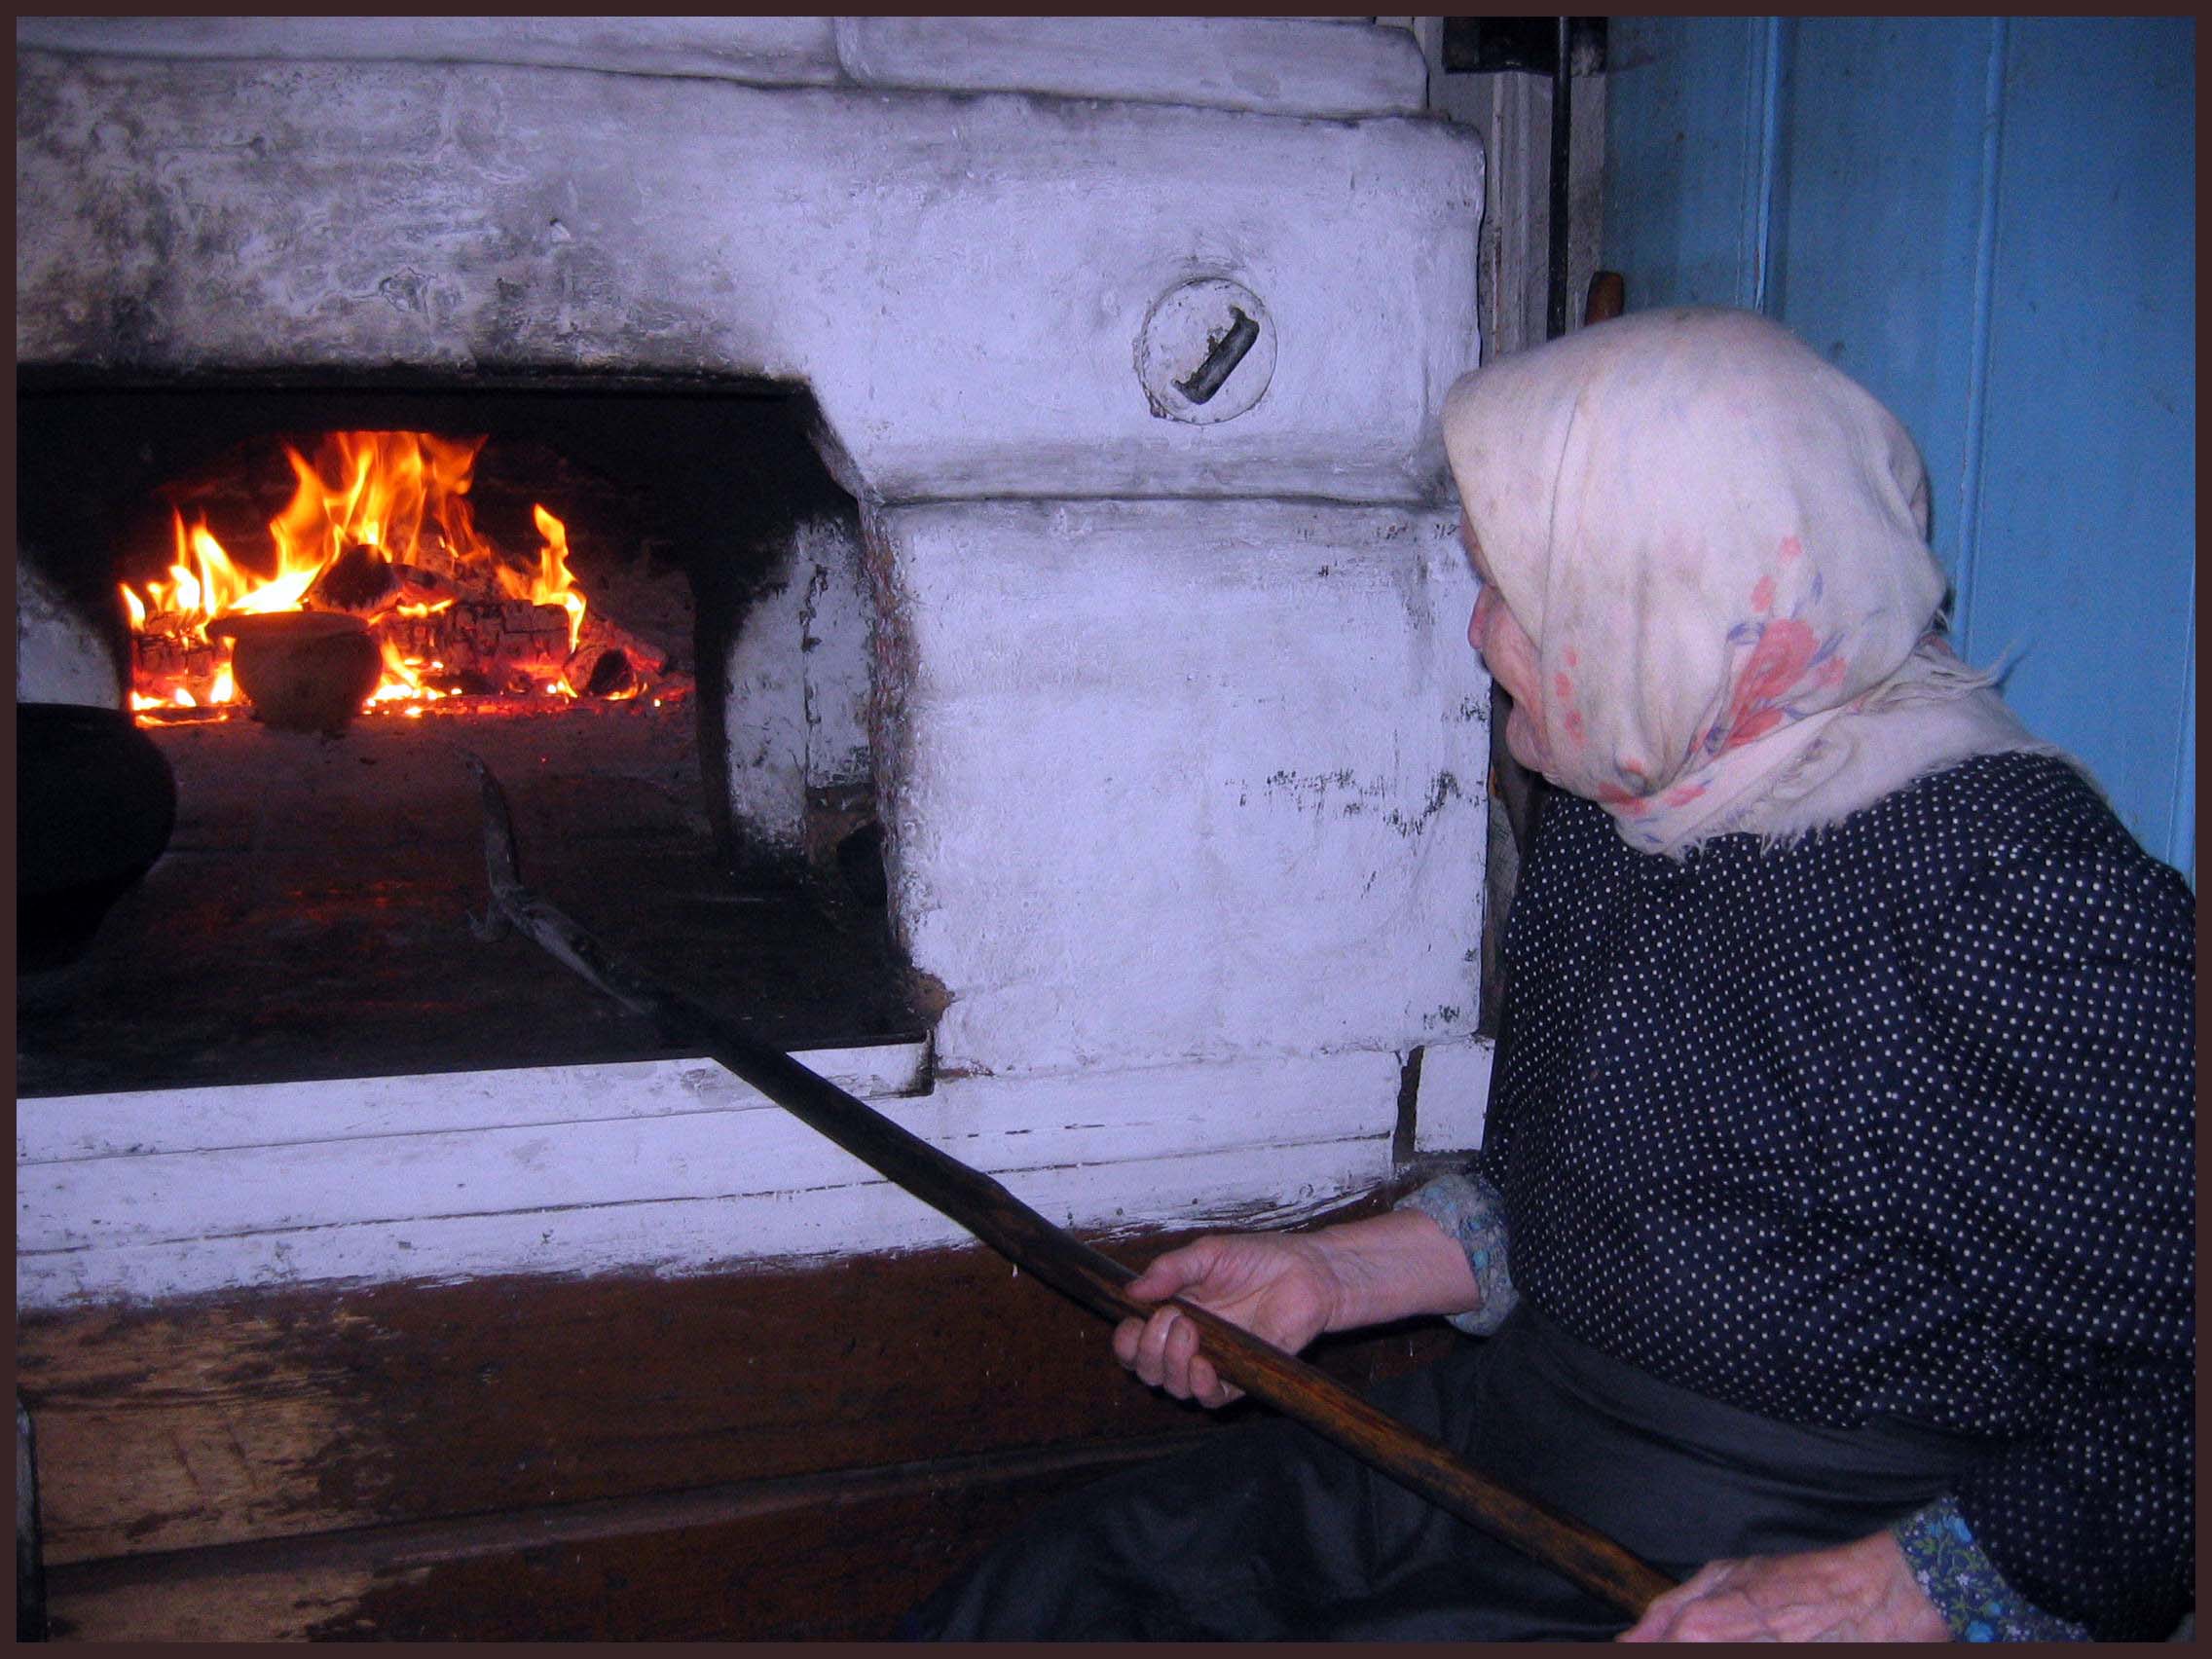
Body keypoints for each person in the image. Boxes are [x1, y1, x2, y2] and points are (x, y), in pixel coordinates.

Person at [908, 309, 2194, 1641]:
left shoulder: (2009, 902)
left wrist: (1906, 1591)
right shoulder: (1634, 789)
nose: (1477, 633)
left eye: (1514, 594)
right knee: (1049, 1597)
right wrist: (1338, 1279)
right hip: (1519, 1434)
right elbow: (1581, 1179)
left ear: (1668, 604)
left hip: (1763, 1552)